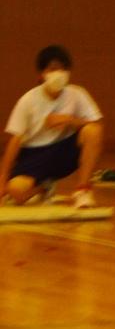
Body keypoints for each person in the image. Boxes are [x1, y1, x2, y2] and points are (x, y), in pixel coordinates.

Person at [0, 45, 103, 208]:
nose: (59, 74)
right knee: (15, 190)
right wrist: (2, 180)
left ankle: (82, 190)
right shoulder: (28, 100)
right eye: (53, 69)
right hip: (34, 154)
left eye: (63, 69)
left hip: (63, 151)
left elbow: (97, 125)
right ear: (42, 73)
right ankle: (44, 187)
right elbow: (15, 141)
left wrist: (70, 120)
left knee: (93, 131)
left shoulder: (77, 93)